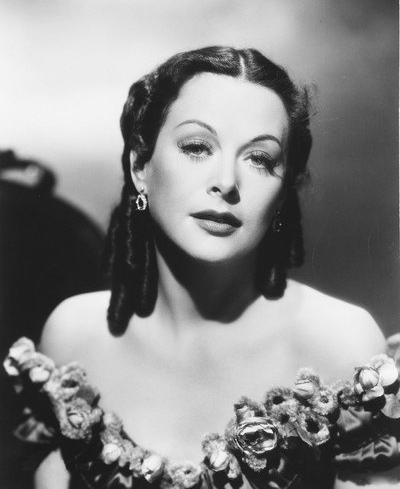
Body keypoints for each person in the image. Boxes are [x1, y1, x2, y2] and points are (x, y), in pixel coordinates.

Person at [4, 46, 400, 489]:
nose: (226, 182)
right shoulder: (73, 338)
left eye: (260, 159)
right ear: (140, 166)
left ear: (284, 192)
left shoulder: (341, 343)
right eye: (197, 147)